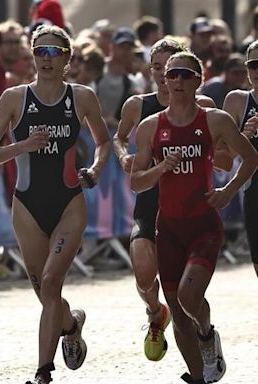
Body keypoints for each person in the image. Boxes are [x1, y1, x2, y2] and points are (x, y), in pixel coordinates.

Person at [0, 25, 110, 384]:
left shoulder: (82, 97)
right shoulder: (13, 98)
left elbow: (103, 142)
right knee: (44, 291)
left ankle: (43, 371)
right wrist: (22, 146)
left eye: (55, 52)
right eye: (41, 52)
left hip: (69, 202)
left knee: (51, 282)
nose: (47, 59)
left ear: (67, 58)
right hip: (27, 206)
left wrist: (96, 169)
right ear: (32, 55)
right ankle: (71, 323)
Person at [130, 50, 258, 384]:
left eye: (186, 74)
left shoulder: (214, 120)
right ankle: (198, 377)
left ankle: (207, 334)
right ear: (163, 80)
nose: (178, 81)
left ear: (199, 80)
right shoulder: (150, 127)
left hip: (203, 225)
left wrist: (229, 191)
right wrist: (161, 167)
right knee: (177, 309)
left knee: (188, 298)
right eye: (172, 74)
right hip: (168, 227)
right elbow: (136, 181)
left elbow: (249, 158)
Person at [114, 38, 218, 363]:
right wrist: (123, 156)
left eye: (173, 68)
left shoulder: (205, 107)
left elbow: (225, 147)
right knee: (145, 274)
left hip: (189, 208)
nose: (166, 75)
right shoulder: (137, 106)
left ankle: (204, 331)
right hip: (149, 202)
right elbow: (118, 137)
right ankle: (155, 314)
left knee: (188, 292)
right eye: (159, 68)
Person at [223, 40, 258, 277]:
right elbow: (225, 159)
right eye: (253, 64)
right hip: (254, 188)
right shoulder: (237, 101)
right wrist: (243, 136)